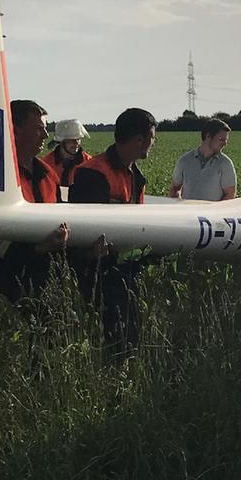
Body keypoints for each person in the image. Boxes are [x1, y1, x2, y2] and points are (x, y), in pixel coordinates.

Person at [69, 107, 156, 352]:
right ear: (139, 139)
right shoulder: (93, 173)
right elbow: (84, 230)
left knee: (130, 330)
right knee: (116, 333)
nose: (152, 144)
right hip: (96, 268)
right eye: (151, 137)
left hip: (124, 267)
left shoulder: (135, 176)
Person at [0, 100, 71, 310]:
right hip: (6, 279)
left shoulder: (49, 175)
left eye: (45, 129)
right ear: (16, 130)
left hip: (48, 275)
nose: (45, 135)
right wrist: (38, 249)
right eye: (39, 129)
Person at [169, 118, 237, 201]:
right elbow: (174, 189)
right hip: (189, 213)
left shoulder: (225, 164)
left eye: (226, 140)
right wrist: (181, 208)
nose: (225, 143)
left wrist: (214, 212)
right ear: (208, 136)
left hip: (213, 213)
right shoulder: (184, 161)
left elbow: (230, 195)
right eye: (221, 139)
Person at [41, 118, 90, 188]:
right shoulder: (45, 165)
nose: (76, 143)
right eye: (72, 140)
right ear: (61, 142)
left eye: (78, 139)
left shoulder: (88, 163)